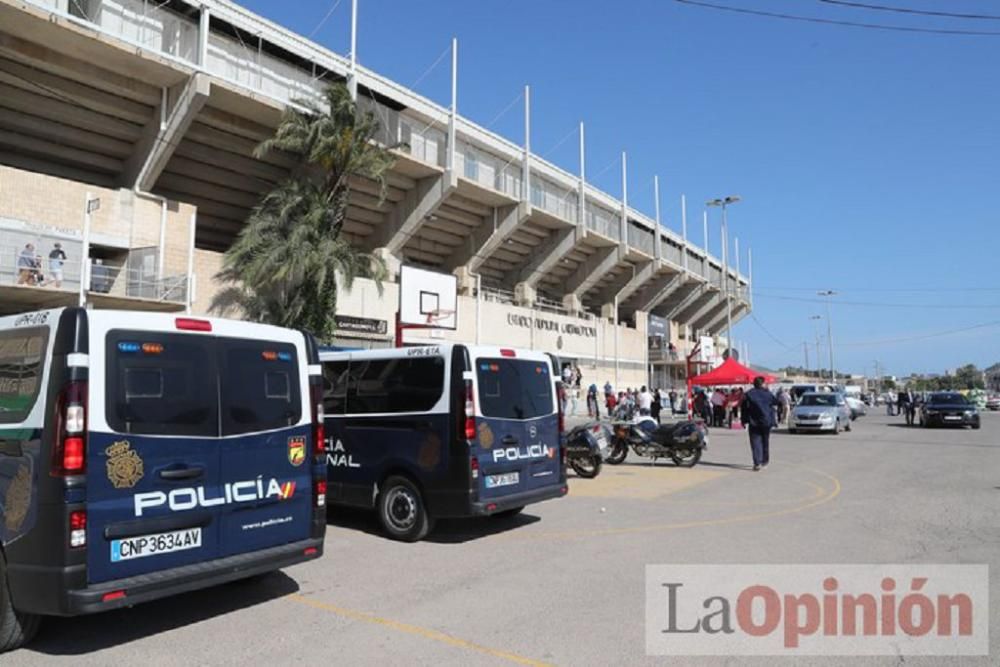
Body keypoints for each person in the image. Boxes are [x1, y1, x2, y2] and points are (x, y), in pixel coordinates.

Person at [741, 377, 778, 472]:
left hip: (754, 422)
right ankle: (765, 461)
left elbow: (744, 408)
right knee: (765, 441)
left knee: (755, 442)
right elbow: (776, 402)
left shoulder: (749, 394)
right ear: (762, 384)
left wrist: (743, 421)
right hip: (766, 421)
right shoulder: (767, 394)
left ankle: (757, 462)